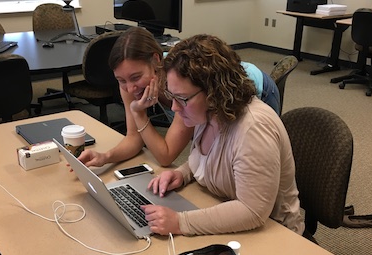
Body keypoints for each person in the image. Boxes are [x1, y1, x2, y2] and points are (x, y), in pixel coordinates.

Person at [142, 34, 304, 236]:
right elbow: (212, 158)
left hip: (275, 233)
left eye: (182, 98)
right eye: (171, 96)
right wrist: (182, 174)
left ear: (214, 92)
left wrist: (180, 222)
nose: (174, 107)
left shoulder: (253, 129)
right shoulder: (207, 113)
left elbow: (252, 211)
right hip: (228, 212)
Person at [78, 27, 281, 169]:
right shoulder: (129, 83)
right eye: (121, 80)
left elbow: (165, 156)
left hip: (255, 86)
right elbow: (134, 138)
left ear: (156, 61)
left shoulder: (180, 83)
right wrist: (105, 157)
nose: (130, 87)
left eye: (136, 77)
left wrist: (139, 114)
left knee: (247, 156)